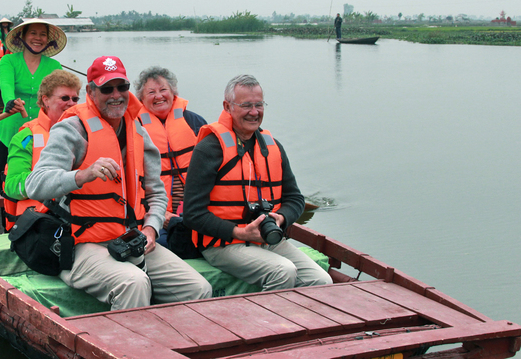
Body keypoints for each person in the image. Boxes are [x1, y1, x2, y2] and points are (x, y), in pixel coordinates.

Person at [26, 55, 212, 310]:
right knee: (134, 283)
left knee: (198, 288)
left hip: (129, 239)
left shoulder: (138, 130)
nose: (116, 95)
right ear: (91, 91)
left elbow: (157, 194)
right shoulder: (72, 130)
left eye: (121, 87)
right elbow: (34, 184)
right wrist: (82, 175)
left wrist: (151, 229)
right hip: (81, 244)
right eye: (106, 89)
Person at [182, 75, 332, 292]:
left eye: (258, 105)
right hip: (223, 244)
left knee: (322, 281)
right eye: (246, 105)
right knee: (283, 271)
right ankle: (273, 325)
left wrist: (281, 218)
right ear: (228, 106)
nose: (254, 112)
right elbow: (192, 214)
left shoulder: (272, 147)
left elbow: (295, 199)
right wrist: (240, 233)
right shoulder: (209, 149)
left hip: (269, 239)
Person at [134, 66, 206, 245]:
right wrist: (158, 214)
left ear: (173, 93)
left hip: (194, 211)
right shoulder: (133, 128)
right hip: (153, 215)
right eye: (151, 92)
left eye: (163, 90)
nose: (158, 96)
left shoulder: (195, 122)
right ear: (141, 99)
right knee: (162, 244)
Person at [3, 69, 81, 230]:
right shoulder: (26, 137)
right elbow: (11, 185)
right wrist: (54, 182)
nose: (71, 104)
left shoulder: (84, 133)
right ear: (45, 100)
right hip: (39, 226)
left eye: (75, 99)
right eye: (64, 98)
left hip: (79, 220)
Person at [0, 19, 67, 181]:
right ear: (23, 36)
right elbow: (6, 86)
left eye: (43, 35)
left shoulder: (54, 66)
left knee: (40, 178)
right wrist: (11, 102)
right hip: (12, 128)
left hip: (42, 131)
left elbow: (62, 96)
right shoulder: (8, 61)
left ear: (47, 40)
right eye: (33, 33)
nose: (38, 38)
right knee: (6, 179)